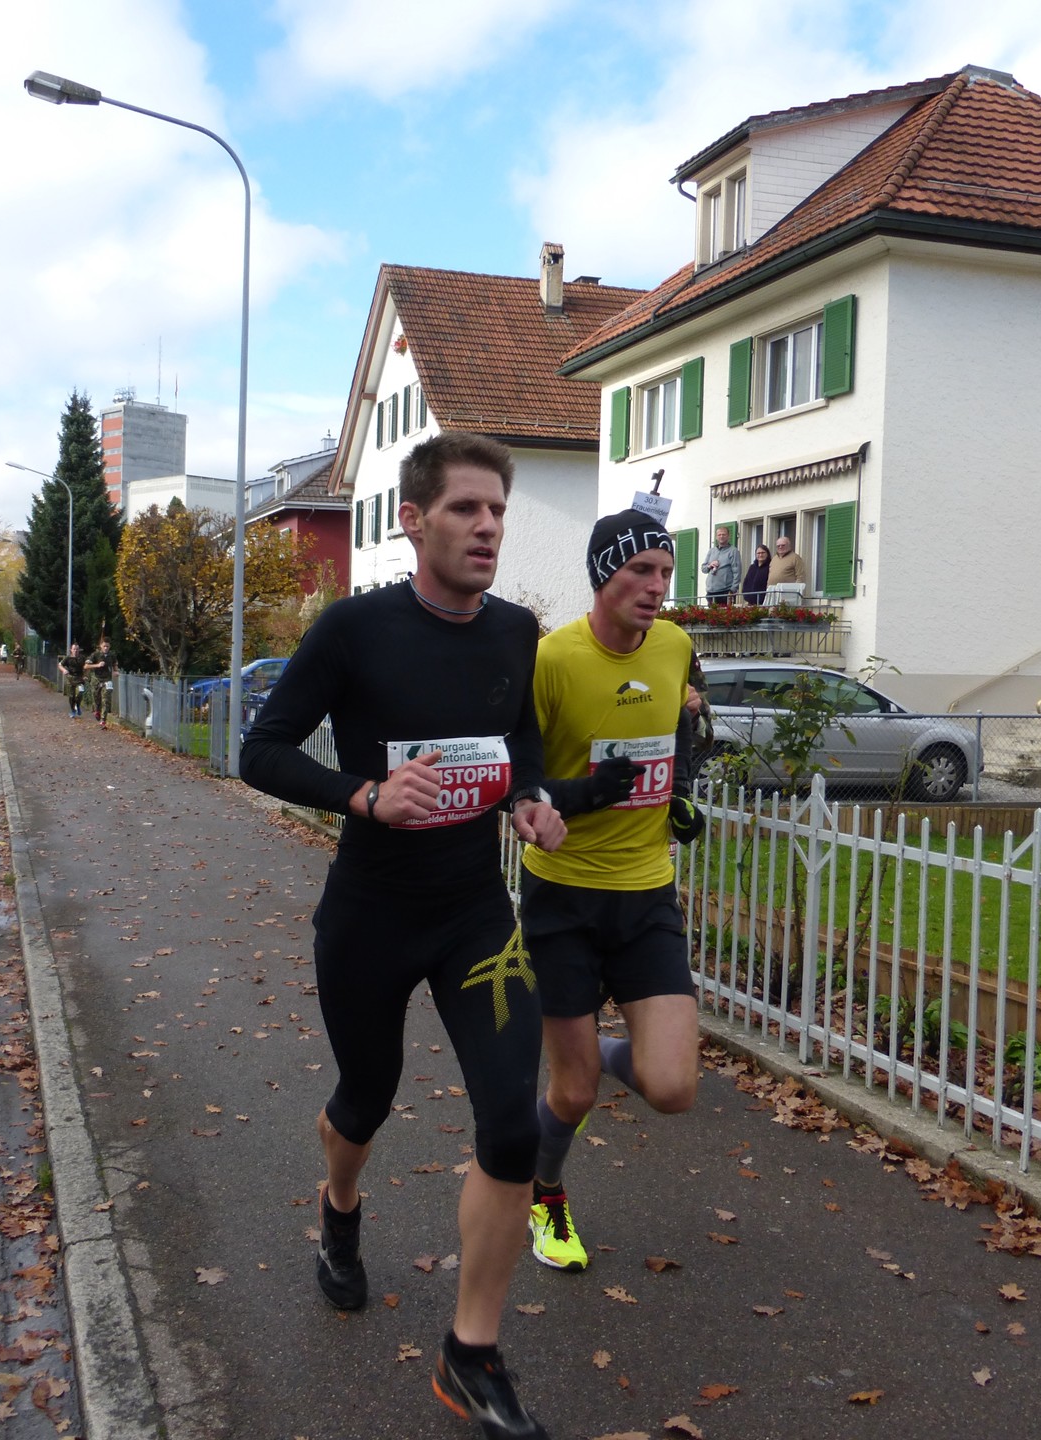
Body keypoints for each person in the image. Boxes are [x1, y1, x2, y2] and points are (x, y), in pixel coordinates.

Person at [243, 430, 567, 1440]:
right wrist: (363, 795)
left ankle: (470, 1356)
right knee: (365, 1098)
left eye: (498, 511)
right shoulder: (352, 629)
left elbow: (520, 743)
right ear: (412, 519)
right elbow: (260, 750)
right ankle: (340, 1209)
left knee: (512, 1122)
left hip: (477, 916)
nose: (488, 527)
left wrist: (532, 800)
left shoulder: (516, 632)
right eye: (467, 509)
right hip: (371, 917)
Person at [521, 506, 706, 1278]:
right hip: (563, 897)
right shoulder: (552, 660)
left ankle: (588, 1052)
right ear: (605, 574)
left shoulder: (675, 646)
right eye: (640, 571)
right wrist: (581, 795)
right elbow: (517, 781)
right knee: (573, 1096)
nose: (657, 586)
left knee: (672, 1087)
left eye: (665, 572)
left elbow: (688, 722)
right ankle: (546, 1191)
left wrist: (684, 789)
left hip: (646, 893)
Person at [700, 525, 740, 606]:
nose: (721, 536)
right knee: (711, 617)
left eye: (724, 534)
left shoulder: (733, 551)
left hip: (725, 591)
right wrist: (709, 565)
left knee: (724, 617)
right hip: (711, 591)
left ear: (728, 536)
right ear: (716, 537)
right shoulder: (712, 551)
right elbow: (703, 569)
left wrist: (733, 589)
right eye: (719, 535)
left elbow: (737, 571)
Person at [766, 534, 807, 603]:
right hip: (773, 594)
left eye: (783, 545)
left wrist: (796, 593)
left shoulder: (795, 558)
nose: (780, 547)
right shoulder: (774, 559)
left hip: (788, 595)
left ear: (789, 545)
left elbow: (800, 576)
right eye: (778, 546)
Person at [87, 639, 114, 729]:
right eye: (104, 646)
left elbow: (115, 664)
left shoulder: (112, 655)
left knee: (106, 700)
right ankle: (97, 711)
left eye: (107, 646)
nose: (106, 648)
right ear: (101, 646)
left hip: (107, 680)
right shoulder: (95, 655)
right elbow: (86, 666)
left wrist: (116, 671)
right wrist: (97, 665)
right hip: (96, 680)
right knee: (96, 698)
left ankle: (103, 720)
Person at [60, 642, 86, 719]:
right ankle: (73, 710)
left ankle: (77, 705)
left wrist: (85, 675)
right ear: (71, 650)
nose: (75, 651)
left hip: (79, 679)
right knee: (71, 696)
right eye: (74, 649)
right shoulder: (67, 658)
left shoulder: (82, 658)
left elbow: (87, 666)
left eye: (77, 649)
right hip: (70, 679)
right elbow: (60, 665)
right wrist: (64, 670)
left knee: (80, 692)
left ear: (79, 650)